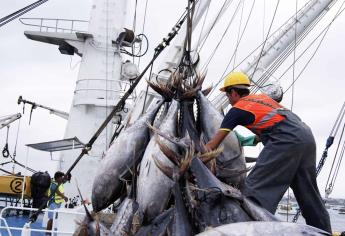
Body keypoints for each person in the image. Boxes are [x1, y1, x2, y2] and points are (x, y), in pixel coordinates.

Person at [205, 71, 331, 233]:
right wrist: (256, 139)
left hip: (286, 140)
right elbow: (269, 128)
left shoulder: (236, 110)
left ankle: (252, 232)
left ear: (234, 92)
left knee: (254, 194)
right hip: (306, 136)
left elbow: (213, 144)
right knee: (309, 195)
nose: (229, 100)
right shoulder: (263, 99)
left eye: (228, 95)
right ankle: (323, 231)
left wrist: (195, 159)